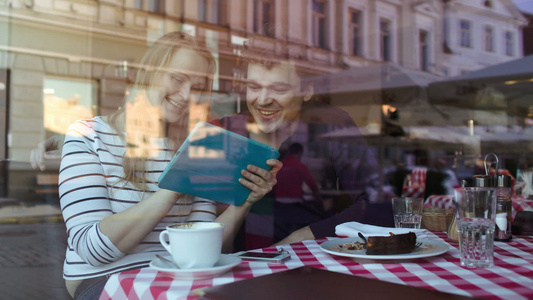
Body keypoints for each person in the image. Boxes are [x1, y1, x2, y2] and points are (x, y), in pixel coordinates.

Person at [58, 32, 281, 299]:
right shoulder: (87, 135)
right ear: (150, 73)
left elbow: (204, 250)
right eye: (177, 78)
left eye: (197, 87)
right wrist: (176, 184)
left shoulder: (197, 144)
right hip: (107, 281)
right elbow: (93, 250)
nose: (186, 94)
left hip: (177, 280)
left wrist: (246, 201)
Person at [215, 39, 387, 246]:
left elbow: (378, 203)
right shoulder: (226, 131)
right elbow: (199, 220)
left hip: (310, 264)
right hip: (236, 267)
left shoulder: (332, 125)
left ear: (307, 91)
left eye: (279, 89)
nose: (262, 100)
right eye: (253, 87)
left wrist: (300, 238)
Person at [274, 142, 324, 241]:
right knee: (306, 227)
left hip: (278, 203)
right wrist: (318, 197)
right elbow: (311, 183)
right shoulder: (299, 165)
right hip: (294, 203)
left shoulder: (280, 166)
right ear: (300, 153)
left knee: (280, 233)